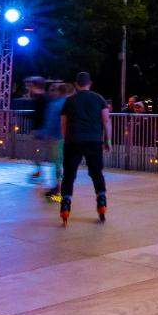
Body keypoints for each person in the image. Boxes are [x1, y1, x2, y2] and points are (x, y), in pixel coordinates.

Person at [58, 72, 110, 224]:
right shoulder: (99, 99)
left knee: (68, 175)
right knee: (96, 173)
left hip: (73, 141)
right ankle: (101, 202)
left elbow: (63, 124)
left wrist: (65, 140)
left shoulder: (69, 101)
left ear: (76, 84)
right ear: (90, 83)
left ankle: (65, 207)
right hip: (94, 141)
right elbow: (106, 120)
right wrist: (108, 140)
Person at [40, 83, 69, 200]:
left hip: (56, 137)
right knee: (62, 162)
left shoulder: (55, 105)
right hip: (68, 137)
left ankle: (58, 189)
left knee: (57, 162)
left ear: (58, 92)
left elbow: (51, 122)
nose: (50, 93)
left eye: (52, 90)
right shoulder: (69, 103)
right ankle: (62, 187)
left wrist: (45, 134)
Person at [18, 77, 48, 182]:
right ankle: (39, 171)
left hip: (40, 129)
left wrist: (24, 115)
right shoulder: (42, 97)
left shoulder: (40, 98)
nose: (28, 88)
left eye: (30, 86)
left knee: (36, 152)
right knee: (37, 152)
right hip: (41, 128)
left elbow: (39, 114)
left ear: (35, 86)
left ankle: (39, 172)